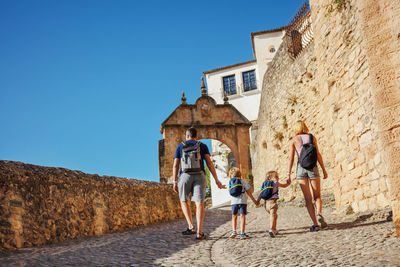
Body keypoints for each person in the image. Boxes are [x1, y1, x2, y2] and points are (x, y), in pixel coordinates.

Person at [173, 127, 225, 240]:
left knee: (183, 200)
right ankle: (199, 232)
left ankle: (191, 227)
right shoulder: (202, 145)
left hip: (185, 175)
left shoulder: (180, 146)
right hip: (199, 175)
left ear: (186, 136)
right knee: (199, 203)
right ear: (196, 136)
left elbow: (176, 165)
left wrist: (175, 181)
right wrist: (216, 180)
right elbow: (210, 164)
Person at [287, 120, 328, 232]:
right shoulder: (312, 137)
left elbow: (291, 158)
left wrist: (288, 174)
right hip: (313, 167)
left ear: (296, 129)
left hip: (301, 169)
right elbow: (318, 154)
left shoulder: (294, 140)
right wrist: (324, 169)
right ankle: (319, 214)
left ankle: (315, 224)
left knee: (308, 199)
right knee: (317, 196)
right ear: (305, 127)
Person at [255, 171, 290, 238]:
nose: (278, 177)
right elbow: (284, 186)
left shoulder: (264, 184)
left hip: (265, 204)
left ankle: (274, 229)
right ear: (270, 178)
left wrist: (257, 201)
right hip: (272, 203)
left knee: (275, 216)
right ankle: (271, 229)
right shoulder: (275, 183)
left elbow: (261, 193)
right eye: (276, 176)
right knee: (273, 216)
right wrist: (288, 182)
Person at [228, 167, 258, 239]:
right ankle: (242, 233)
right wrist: (254, 201)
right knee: (242, 216)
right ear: (239, 174)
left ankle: (234, 231)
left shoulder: (230, 182)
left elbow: (229, 192)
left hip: (233, 202)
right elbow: (249, 192)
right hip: (242, 202)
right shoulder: (242, 181)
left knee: (234, 216)